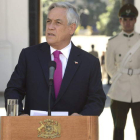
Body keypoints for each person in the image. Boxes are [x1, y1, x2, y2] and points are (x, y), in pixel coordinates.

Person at [4, 2, 106, 116]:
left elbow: (97, 100)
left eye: (58, 22)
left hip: (72, 131)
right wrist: (18, 115)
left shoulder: (89, 63)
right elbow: (13, 90)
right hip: (33, 130)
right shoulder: (29, 55)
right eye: (48, 21)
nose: (50, 27)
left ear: (71, 28)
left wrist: (82, 118)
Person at [105, 3, 140, 140]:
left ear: (135, 20)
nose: (127, 22)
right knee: (118, 128)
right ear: (120, 20)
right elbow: (109, 66)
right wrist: (119, 78)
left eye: (130, 19)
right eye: (124, 19)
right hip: (119, 91)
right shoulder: (113, 42)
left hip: (138, 90)